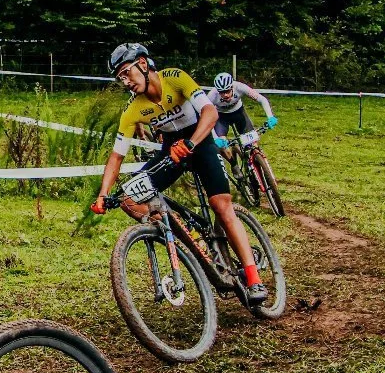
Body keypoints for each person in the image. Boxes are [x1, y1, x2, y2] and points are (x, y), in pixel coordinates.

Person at [90, 43, 267, 306]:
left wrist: (192, 143)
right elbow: (117, 156)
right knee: (128, 197)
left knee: (221, 205)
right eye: (120, 78)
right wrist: (103, 193)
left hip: (201, 141)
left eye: (127, 73)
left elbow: (210, 112)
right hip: (171, 151)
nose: (125, 82)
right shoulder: (133, 109)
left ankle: (254, 279)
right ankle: (184, 239)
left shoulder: (174, 78)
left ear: (143, 64)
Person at [210, 70, 277, 142]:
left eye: (227, 91)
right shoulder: (212, 95)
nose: (225, 95)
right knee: (222, 144)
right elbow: (205, 116)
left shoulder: (240, 87)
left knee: (252, 142)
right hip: (221, 116)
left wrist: (270, 117)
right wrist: (215, 138)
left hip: (238, 112)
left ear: (232, 87)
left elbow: (262, 99)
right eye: (222, 92)